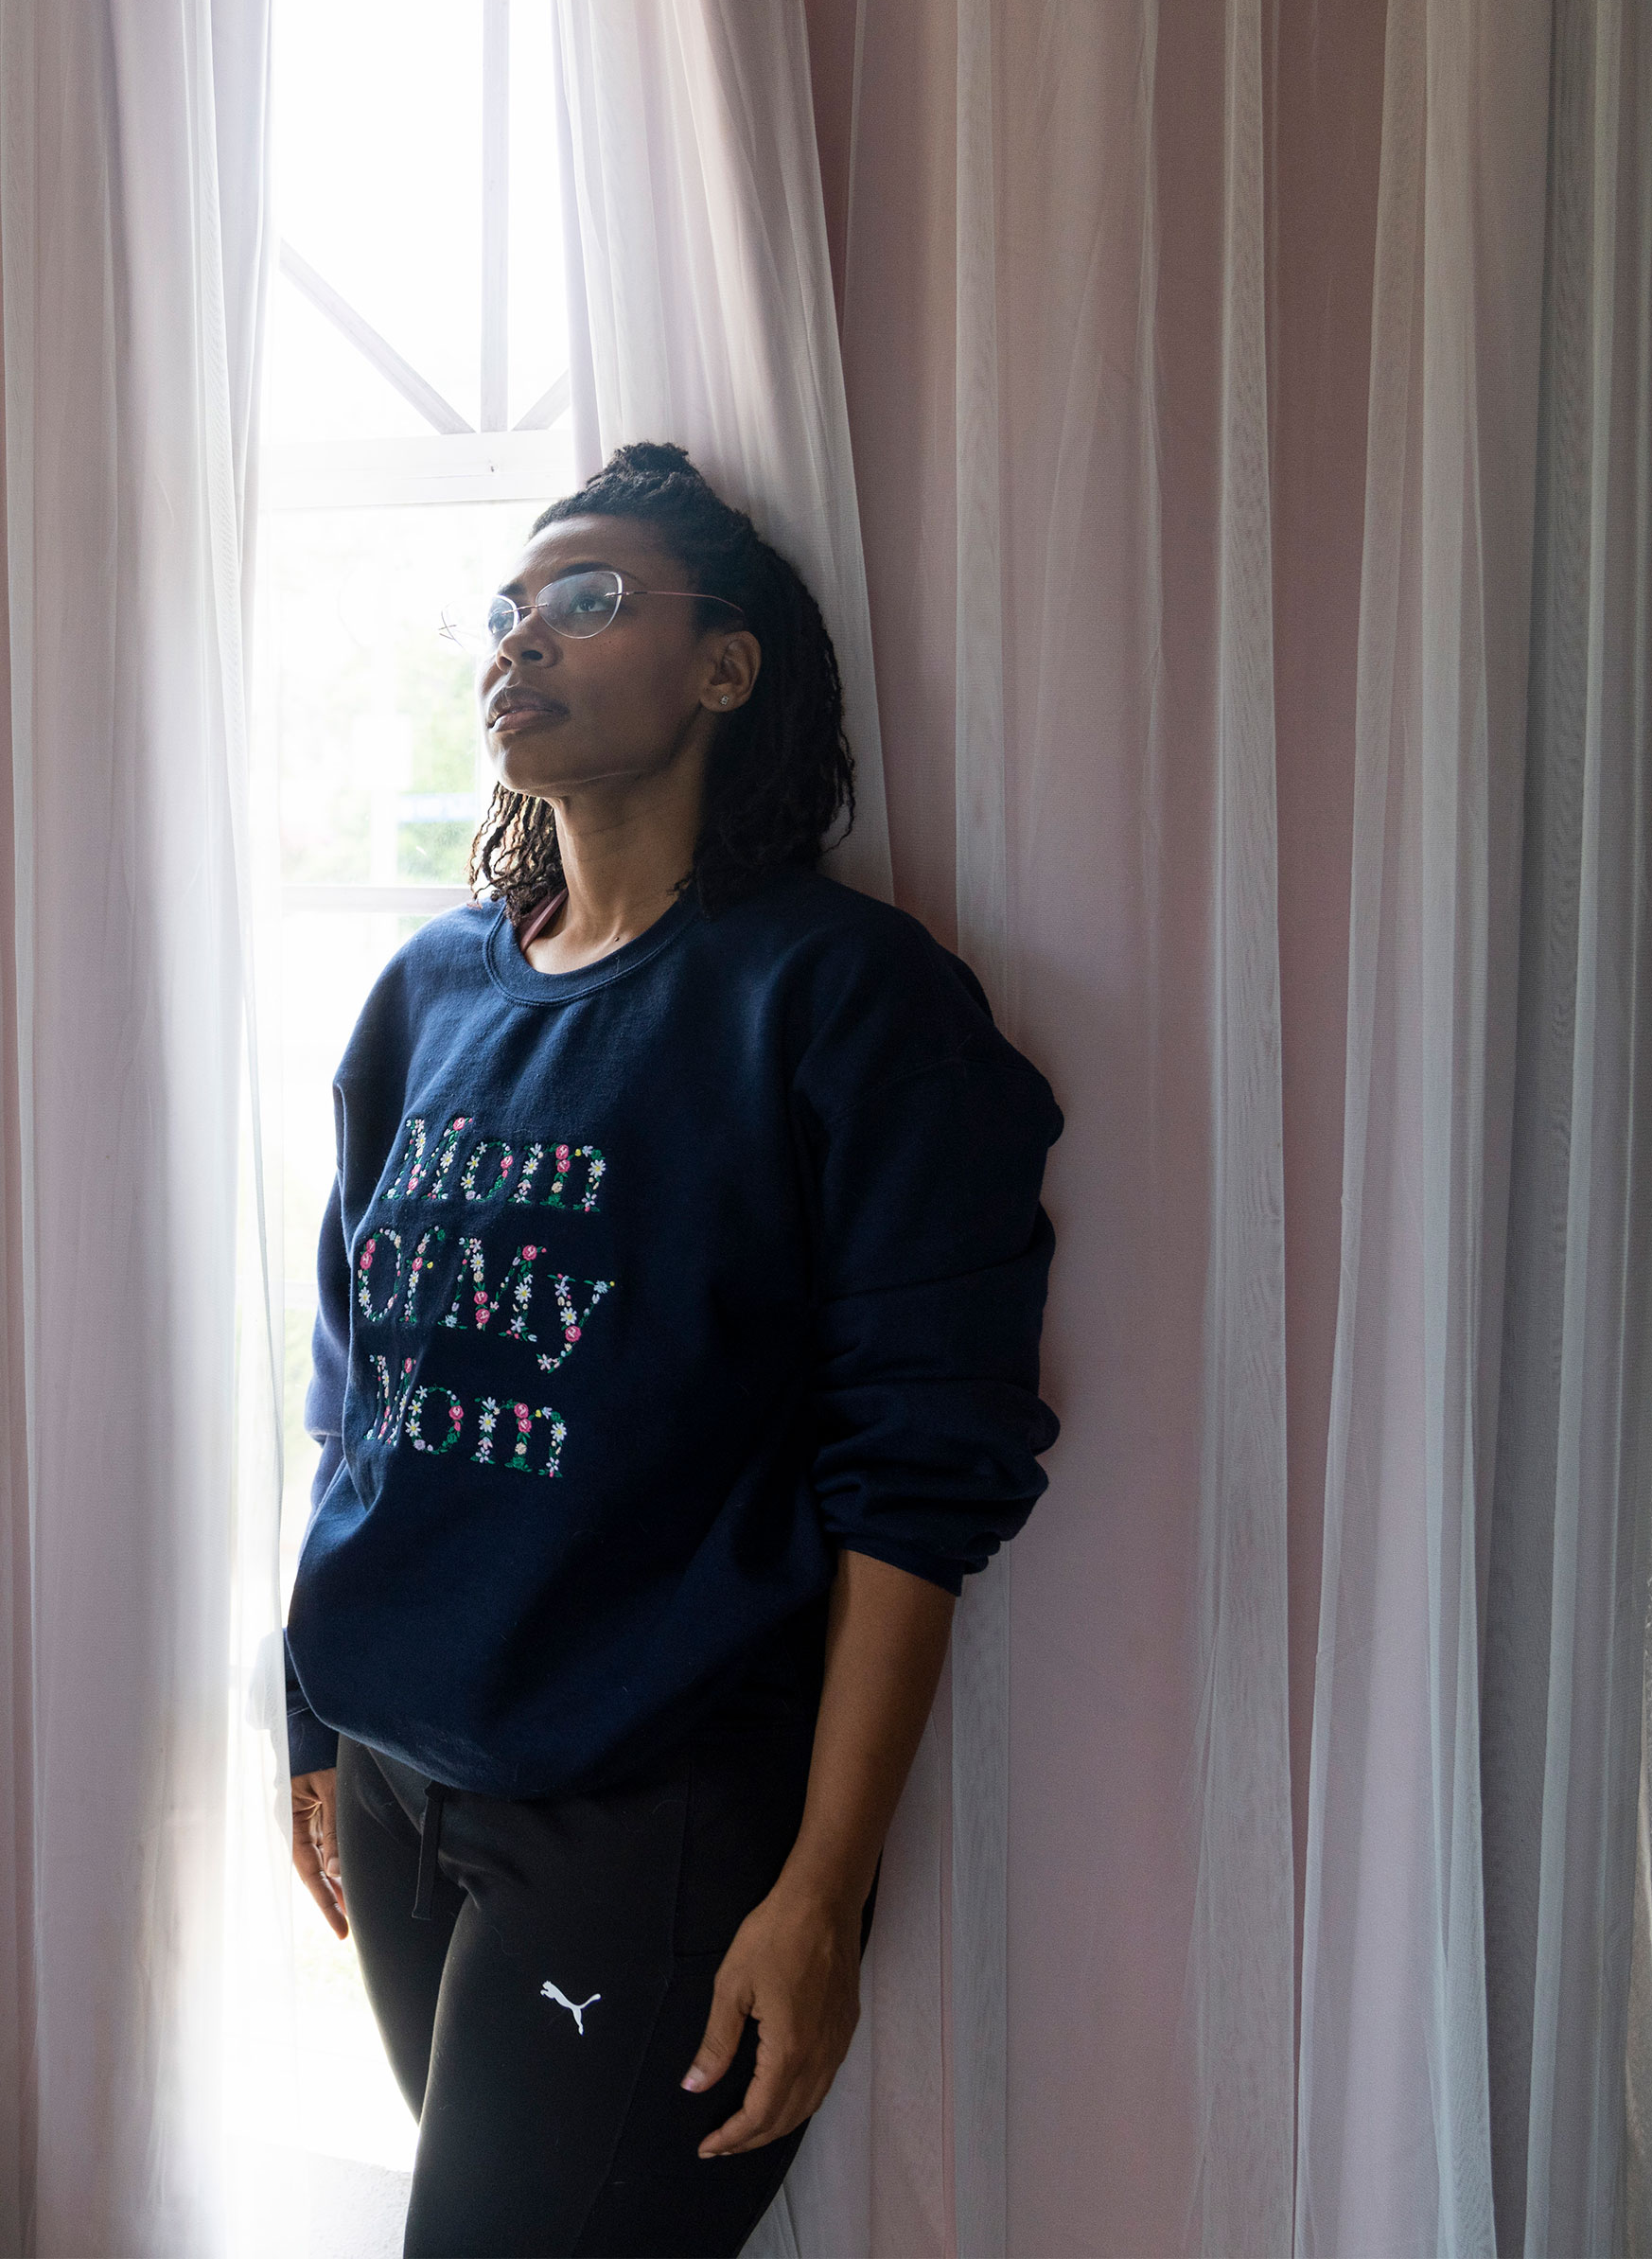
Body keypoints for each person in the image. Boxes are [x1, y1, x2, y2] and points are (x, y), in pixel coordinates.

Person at [279, 441, 1062, 2258]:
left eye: (591, 597)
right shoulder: (431, 995)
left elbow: (920, 1480)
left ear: (728, 667)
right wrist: (312, 1716)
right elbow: (357, 1397)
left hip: (649, 1815)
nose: (520, 638)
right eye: (507, 607)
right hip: (395, 1773)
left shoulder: (842, 998)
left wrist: (820, 1890)